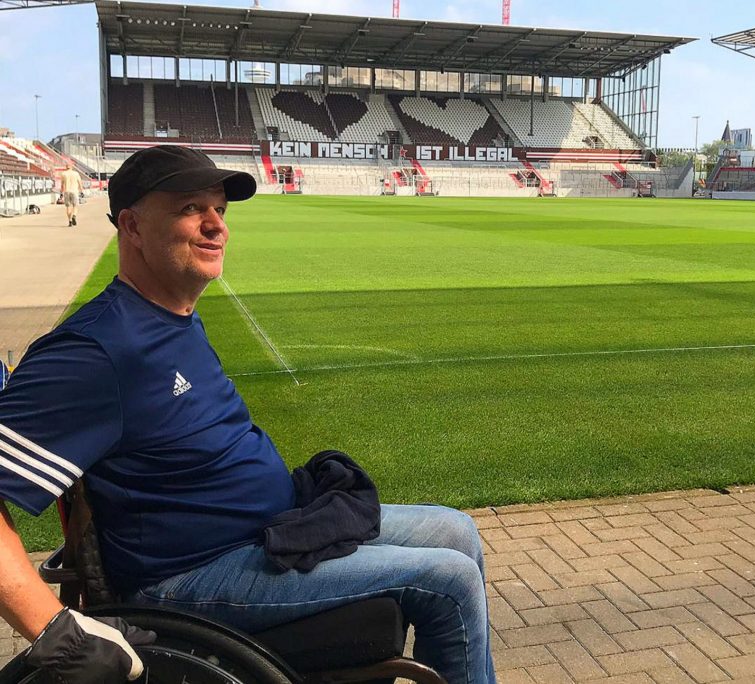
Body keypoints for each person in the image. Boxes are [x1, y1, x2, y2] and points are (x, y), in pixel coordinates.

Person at [0, 146, 496, 684]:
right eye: (191, 208)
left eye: (220, 209)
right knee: (448, 579)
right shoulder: (96, 350)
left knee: (458, 531)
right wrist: (55, 629)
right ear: (133, 226)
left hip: (268, 531)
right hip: (190, 575)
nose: (217, 226)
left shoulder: (173, 315)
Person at [59, 162, 83, 227]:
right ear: (72, 167)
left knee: (68, 207)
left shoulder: (63, 174)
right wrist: (81, 191)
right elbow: (80, 182)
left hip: (66, 191)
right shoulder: (76, 173)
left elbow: (62, 185)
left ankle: (70, 221)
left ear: (66, 167)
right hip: (74, 191)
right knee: (75, 205)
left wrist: (61, 193)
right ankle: (74, 216)